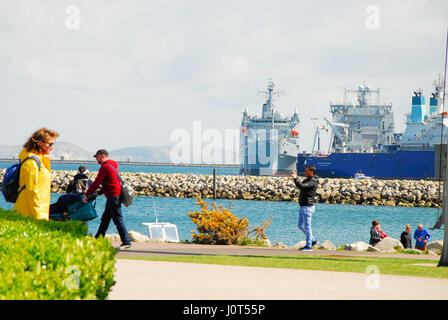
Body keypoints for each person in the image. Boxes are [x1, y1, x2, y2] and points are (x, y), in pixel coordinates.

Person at [83, 149, 131, 250]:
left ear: (102, 155)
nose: (96, 159)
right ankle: (98, 239)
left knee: (118, 218)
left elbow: (96, 183)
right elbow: (109, 183)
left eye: (97, 156)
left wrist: (87, 194)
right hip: (112, 195)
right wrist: (99, 193)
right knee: (105, 219)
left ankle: (126, 242)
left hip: (114, 196)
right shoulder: (113, 166)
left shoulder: (105, 167)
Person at [13, 127, 59, 220]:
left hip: (35, 210)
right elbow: (32, 190)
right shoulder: (32, 162)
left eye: (53, 144)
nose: (52, 146)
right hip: (29, 212)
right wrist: (39, 216)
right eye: (49, 144)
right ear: (39, 142)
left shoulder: (40, 160)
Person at [290, 165, 319, 251]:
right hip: (303, 206)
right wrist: (296, 179)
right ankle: (313, 240)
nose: (305, 172)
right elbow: (302, 185)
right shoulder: (308, 180)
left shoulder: (313, 181)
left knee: (307, 227)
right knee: (300, 225)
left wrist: (295, 178)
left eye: (306, 171)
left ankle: (309, 246)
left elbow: (302, 186)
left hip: (307, 207)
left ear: (311, 172)